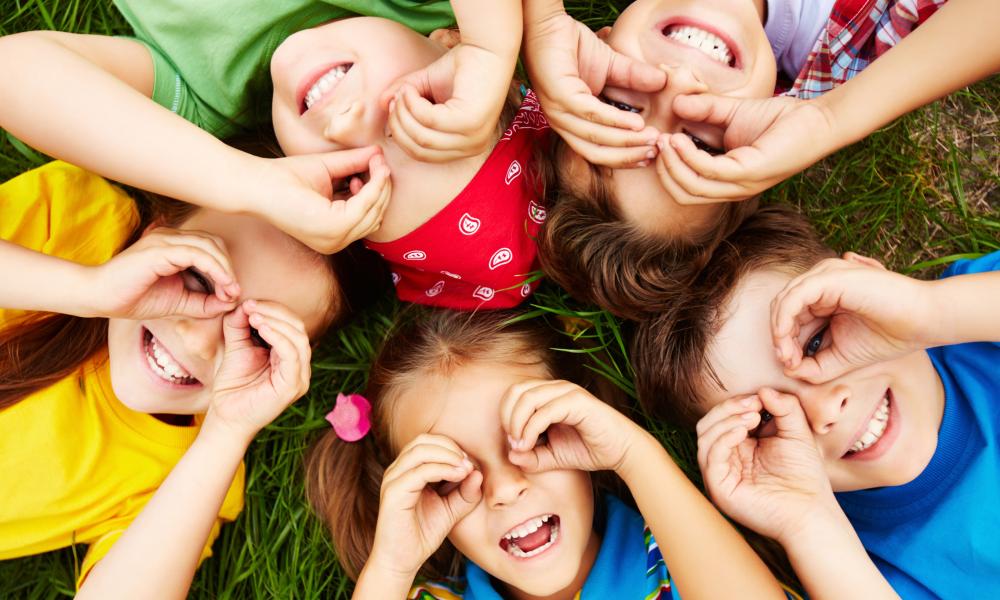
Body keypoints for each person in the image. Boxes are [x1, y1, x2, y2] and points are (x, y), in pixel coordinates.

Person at [0, 0, 550, 309]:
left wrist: (246, 182)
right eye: (420, 109)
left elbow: (14, 74)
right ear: (450, 43)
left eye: (348, 178)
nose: (345, 123)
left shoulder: (205, 103)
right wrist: (492, 44)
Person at [0, 159, 384, 597]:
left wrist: (228, 432)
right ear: (157, 232)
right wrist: (87, 288)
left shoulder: (190, 474)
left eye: (256, 335)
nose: (199, 341)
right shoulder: (72, 219)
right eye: (199, 278)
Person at [522, 0, 998, 320]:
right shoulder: (870, 49)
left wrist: (539, 19)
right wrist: (830, 118)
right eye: (701, 143)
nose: (678, 83)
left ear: (594, 46)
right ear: (760, 130)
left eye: (620, 109)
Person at [632, 204, 1000, 597]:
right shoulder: (850, 566)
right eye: (768, 419)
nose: (825, 411)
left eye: (816, 343)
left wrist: (930, 310)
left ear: (872, 284)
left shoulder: (972, 316)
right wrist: (808, 523)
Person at [305, 308, 796, 599]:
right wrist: (390, 566)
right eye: (451, 477)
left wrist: (632, 452)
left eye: (533, 439)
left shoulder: (682, 553)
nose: (504, 490)